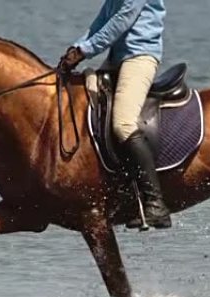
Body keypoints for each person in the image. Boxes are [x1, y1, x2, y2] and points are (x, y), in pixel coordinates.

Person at [59, 0, 171, 229]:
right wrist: (76, 47)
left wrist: (86, 50)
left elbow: (123, 19)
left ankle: (156, 204)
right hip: (116, 59)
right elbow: (103, 20)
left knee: (123, 124)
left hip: (139, 56)